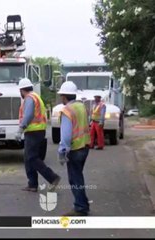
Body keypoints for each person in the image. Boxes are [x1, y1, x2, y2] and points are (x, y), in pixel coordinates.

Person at [15, 78, 61, 192]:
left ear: (22, 90)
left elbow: (28, 115)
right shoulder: (35, 96)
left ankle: (52, 177)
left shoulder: (29, 98)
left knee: (32, 158)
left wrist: (20, 129)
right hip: (37, 131)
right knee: (28, 158)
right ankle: (32, 184)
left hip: (33, 131)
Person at [57, 81, 91, 216]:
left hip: (75, 149)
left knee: (75, 179)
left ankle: (80, 207)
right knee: (78, 177)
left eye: (61, 95)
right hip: (85, 146)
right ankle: (83, 203)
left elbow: (65, 136)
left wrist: (62, 152)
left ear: (64, 96)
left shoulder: (67, 111)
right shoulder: (81, 107)